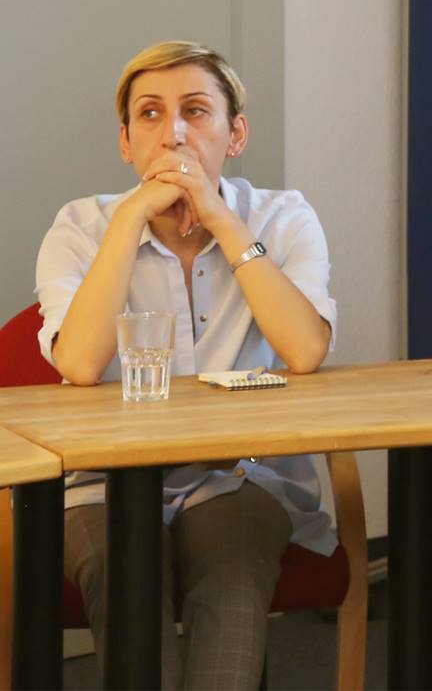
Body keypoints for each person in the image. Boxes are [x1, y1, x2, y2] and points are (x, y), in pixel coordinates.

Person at [35, 42, 337, 690]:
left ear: (236, 134)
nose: (172, 133)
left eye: (196, 111)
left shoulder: (284, 217)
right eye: (150, 113)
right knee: (123, 568)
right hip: (101, 481)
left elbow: (306, 350)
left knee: (231, 569)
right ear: (126, 141)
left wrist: (222, 219)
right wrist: (130, 221)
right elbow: (80, 363)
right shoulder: (79, 227)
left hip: (242, 473)